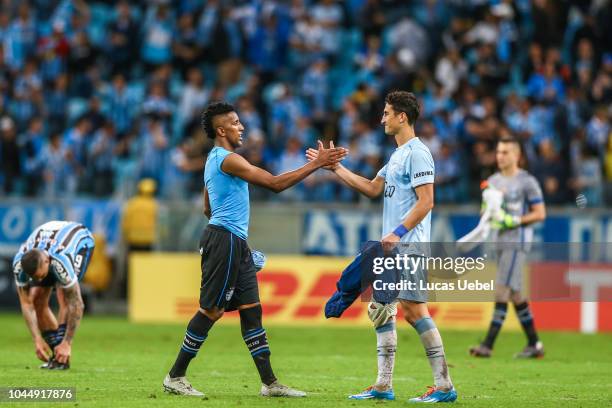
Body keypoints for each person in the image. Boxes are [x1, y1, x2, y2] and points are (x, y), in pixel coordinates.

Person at [162, 101, 347, 397]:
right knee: (212, 310)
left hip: (232, 240)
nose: (242, 127)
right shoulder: (229, 160)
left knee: (252, 310)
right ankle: (175, 376)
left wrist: (234, 239)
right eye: (236, 123)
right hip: (226, 240)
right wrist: (316, 163)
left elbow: (207, 205)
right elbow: (274, 183)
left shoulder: (214, 160)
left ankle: (270, 383)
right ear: (221, 130)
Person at [307, 91, 457, 403]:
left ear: (402, 116)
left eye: (387, 113)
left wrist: (399, 232)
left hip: (409, 246)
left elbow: (427, 201)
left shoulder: (418, 153)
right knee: (381, 311)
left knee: (414, 311)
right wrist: (335, 169)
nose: (382, 119)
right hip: (392, 248)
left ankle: (444, 387)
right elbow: (372, 189)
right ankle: (382, 385)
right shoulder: (396, 156)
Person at [469, 137, 546, 358]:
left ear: (516, 155)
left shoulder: (527, 181)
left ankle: (488, 345)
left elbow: (540, 213)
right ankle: (535, 344)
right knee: (516, 294)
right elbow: (486, 212)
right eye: (498, 152)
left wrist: (514, 220)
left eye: (505, 152)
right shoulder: (492, 180)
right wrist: (490, 217)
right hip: (499, 241)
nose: (500, 156)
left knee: (501, 289)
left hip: (517, 241)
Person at [13, 221, 95, 369]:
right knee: (37, 298)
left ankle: (63, 351)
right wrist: (37, 339)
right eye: (35, 278)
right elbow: (26, 303)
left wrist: (67, 343)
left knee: (64, 294)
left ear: (46, 262)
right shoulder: (19, 265)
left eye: (41, 275)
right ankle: (57, 357)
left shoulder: (61, 261)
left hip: (81, 242)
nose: (39, 280)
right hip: (49, 239)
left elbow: (77, 303)